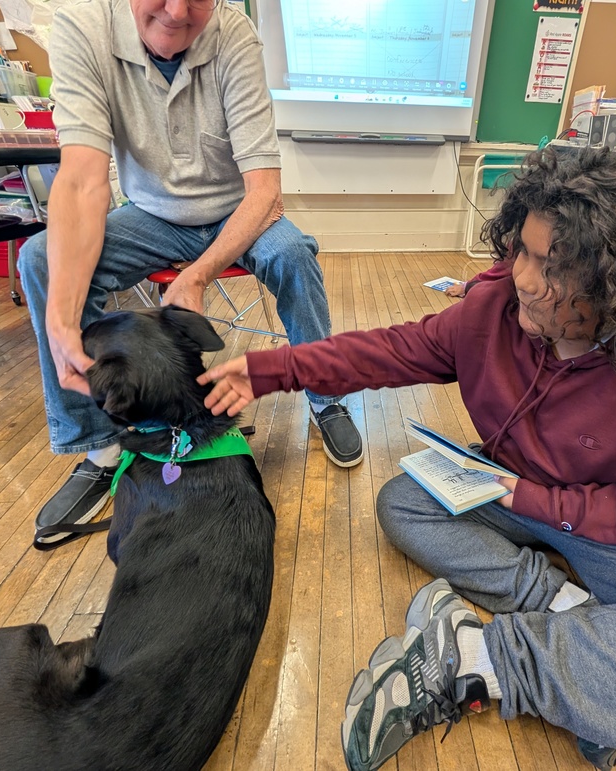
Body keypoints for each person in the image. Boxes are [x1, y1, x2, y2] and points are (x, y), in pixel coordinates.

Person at [198, 148, 616, 769]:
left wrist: (533, 501)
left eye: (553, 269)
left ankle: (478, 658)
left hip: (610, 526)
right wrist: (270, 369)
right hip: (512, 490)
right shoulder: (494, 306)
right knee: (405, 501)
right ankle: (574, 621)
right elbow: (390, 352)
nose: (525, 278)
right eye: (523, 250)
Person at [19, 0, 364, 546]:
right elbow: (83, 182)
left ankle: (326, 397)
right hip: (152, 215)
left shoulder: (236, 36)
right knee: (38, 258)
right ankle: (100, 442)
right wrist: (60, 323)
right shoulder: (82, 29)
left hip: (237, 212)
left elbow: (265, 193)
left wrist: (199, 275)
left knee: (292, 253)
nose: (178, 12)